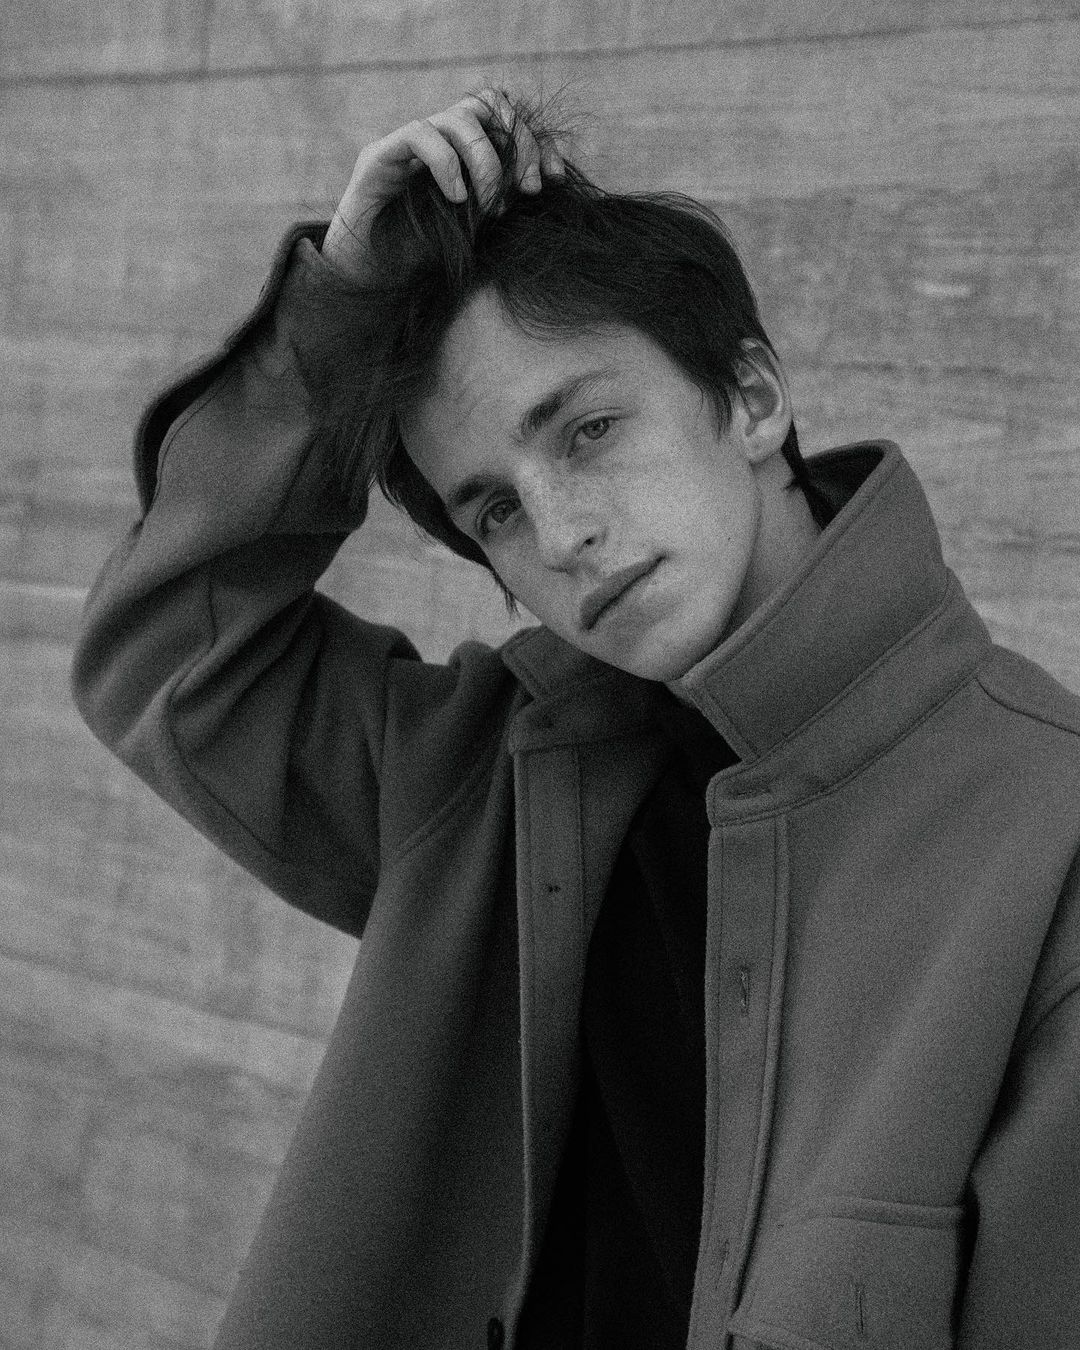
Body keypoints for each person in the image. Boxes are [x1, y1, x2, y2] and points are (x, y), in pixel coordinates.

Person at [71, 89, 1080, 1349]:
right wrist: (339, 312)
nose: (560, 534)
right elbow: (172, 653)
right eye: (495, 509)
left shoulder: (1045, 838)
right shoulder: (485, 768)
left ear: (751, 397)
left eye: (590, 431)